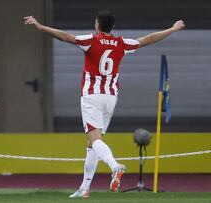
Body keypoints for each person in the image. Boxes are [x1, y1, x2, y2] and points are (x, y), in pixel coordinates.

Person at [24, 11, 185, 198]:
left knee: (95, 139)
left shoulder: (90, 41)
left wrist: (40, 26)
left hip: (92, 95)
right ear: (112, 27)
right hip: (111, 97)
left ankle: (115, 166)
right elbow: (148, 39)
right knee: (92, 143)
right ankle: (84, 189)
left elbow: (64, 36)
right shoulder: (122, 43)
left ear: (97, 25)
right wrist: (172, 29)